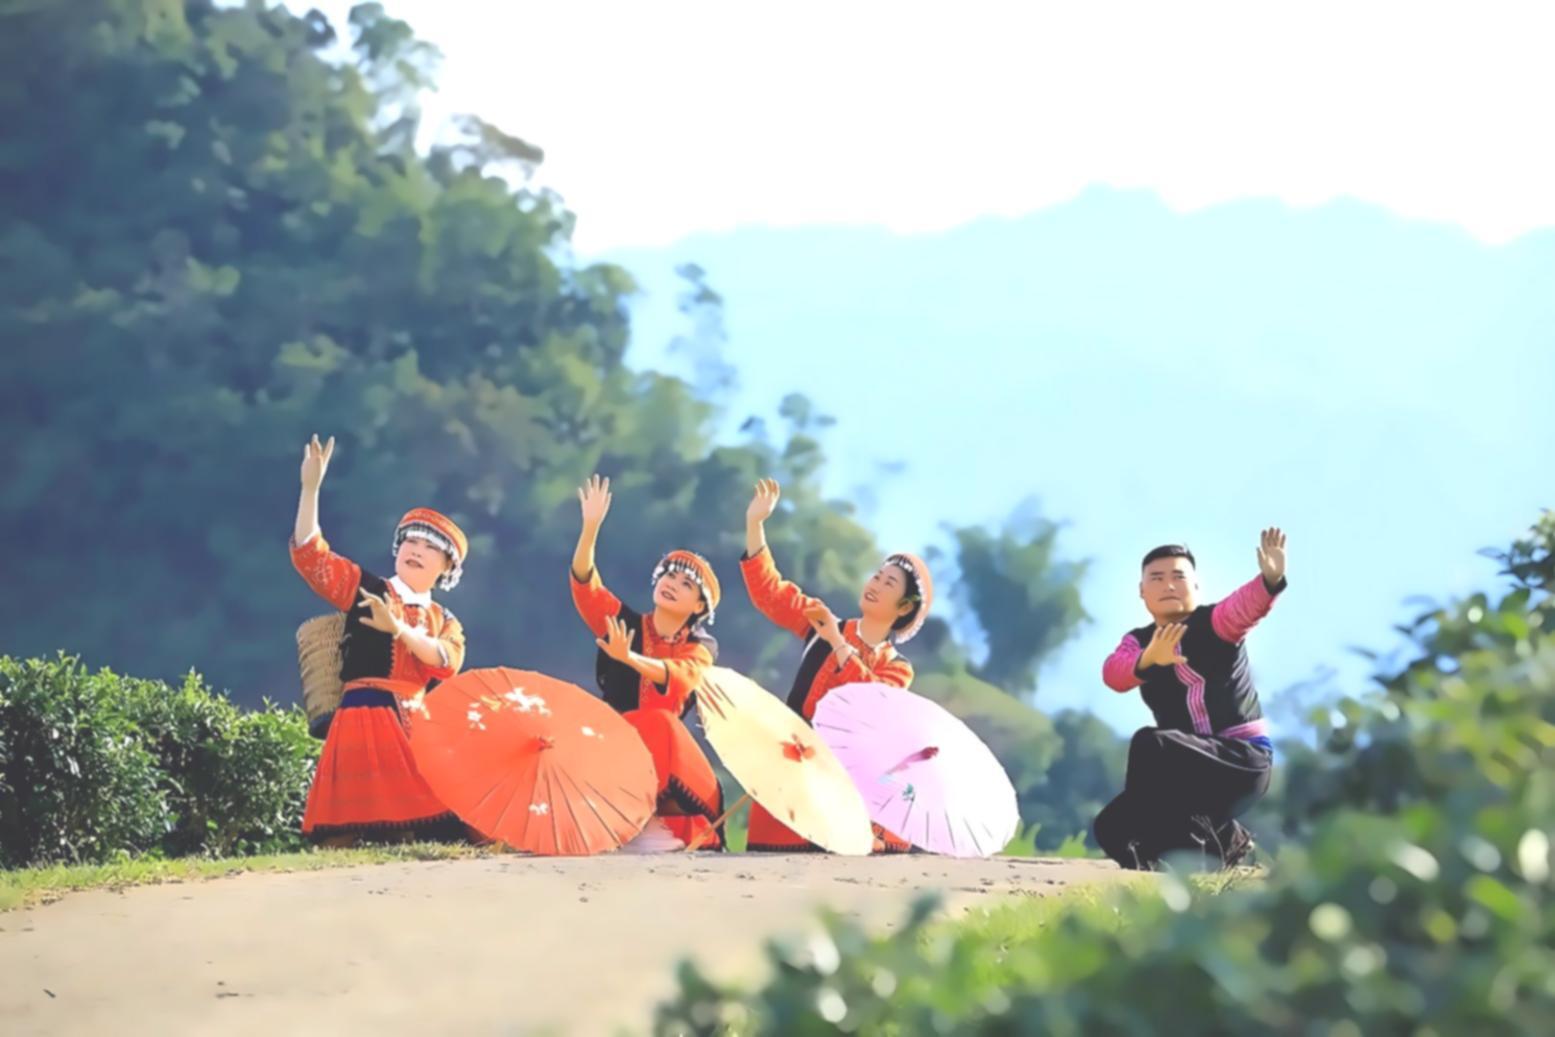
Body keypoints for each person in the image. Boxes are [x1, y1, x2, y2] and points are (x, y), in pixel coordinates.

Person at [290, 435, 469, 846]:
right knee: (347, 832)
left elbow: (446, 662)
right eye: (410, 541)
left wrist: (399, 630)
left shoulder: (445, 619)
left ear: (446, 568)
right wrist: (310, 490)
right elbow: (311, 557)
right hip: (362, 712)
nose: (417, 550)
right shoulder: (365, 588)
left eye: (430, 547)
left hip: (415, 723)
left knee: (422, 828)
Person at [739, 478, 932, 853]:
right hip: (796, 756)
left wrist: (837, 642)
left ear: (904, 607)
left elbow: (873, 700)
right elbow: (771, 592)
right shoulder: (824, 621)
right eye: (877, 575)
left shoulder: (898, 667)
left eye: (888, 583)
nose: (875, 583)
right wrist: (755, 525)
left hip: (848, 772)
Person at [1092, 529, 1289, 870]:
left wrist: (1270, 580)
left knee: (1151, 744)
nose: (1168, 585)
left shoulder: (1215, 625)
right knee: (1111, 829)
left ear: (1195, 586)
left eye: (1178, 576)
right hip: (1187, 773)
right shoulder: (1137, 642)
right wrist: (1150, 659)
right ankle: (1224, 846)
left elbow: (1245, 607)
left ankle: (1185, 839)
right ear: (1142, 591)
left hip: (1240, 762)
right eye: (1156, 578)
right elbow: (1114, 675)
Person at [568, 474, 725, 851]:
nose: (672, 582)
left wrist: (630, 659)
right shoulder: (625, 621)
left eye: (686, 584)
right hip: (613, 746)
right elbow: (586, 586)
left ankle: (648, 820)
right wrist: (590, 529)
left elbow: (684, 679)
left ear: (700, 606)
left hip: (667, 764)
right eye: (668, 574)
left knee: (660, 723)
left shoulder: (701, 647)